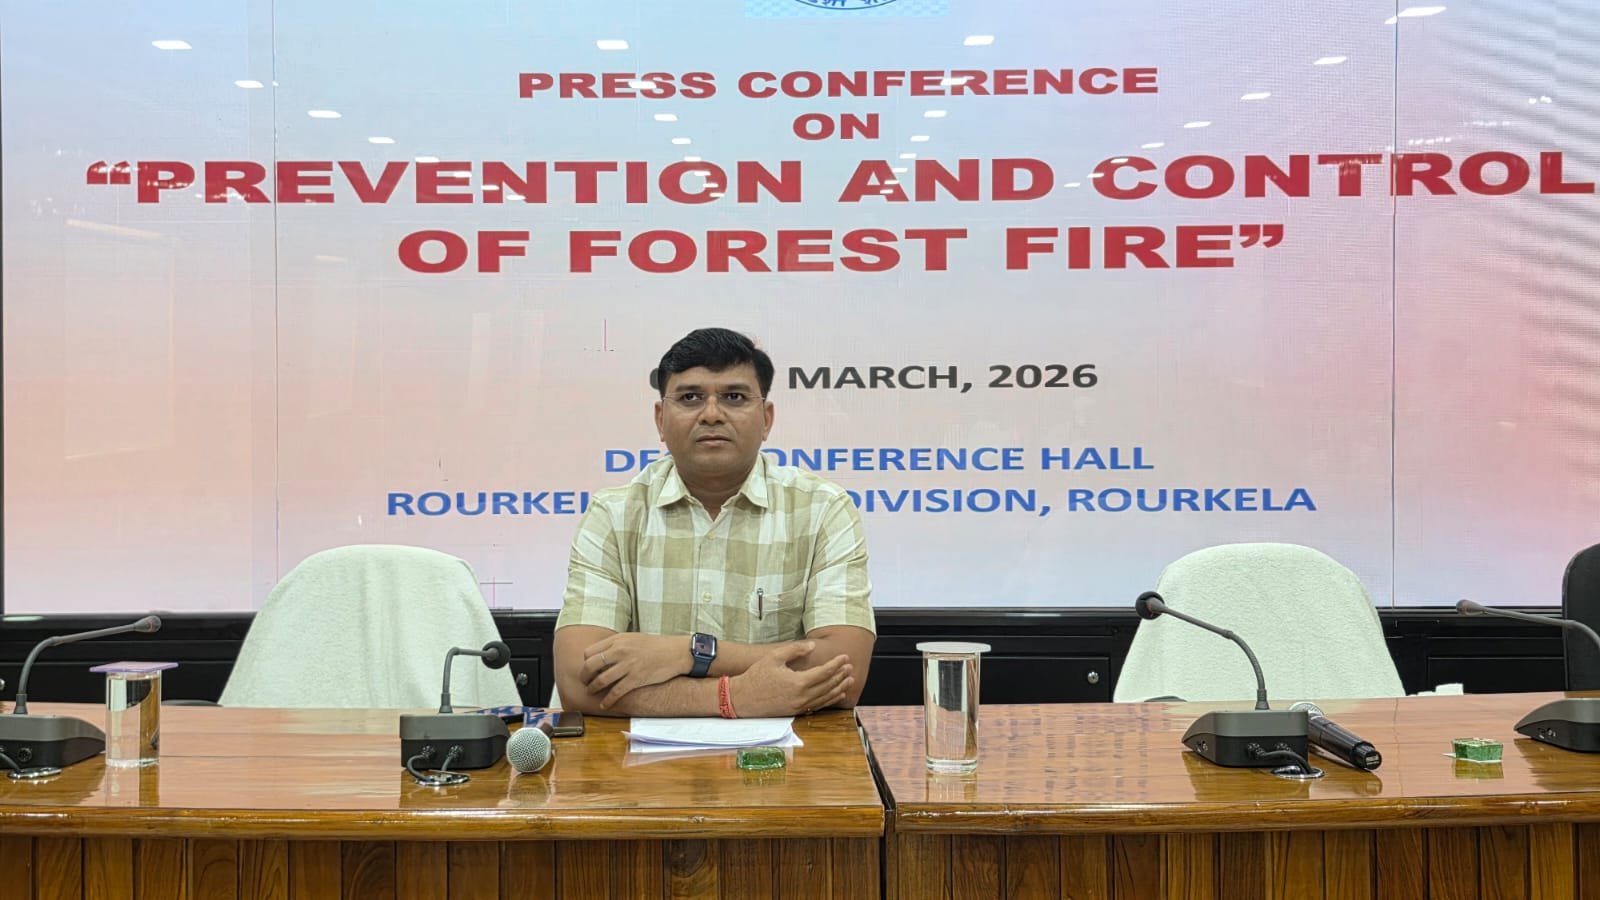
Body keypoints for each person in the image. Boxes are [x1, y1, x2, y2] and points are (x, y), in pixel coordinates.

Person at [554, 327, 875, 717]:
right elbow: (576, 682)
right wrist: (735, 696)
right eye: (690, 397)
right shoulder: (614, 514)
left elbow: (843, 671)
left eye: (734, 397)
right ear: (660, 419)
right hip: (637, 754)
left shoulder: (822, 509)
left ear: (766, 419)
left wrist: (689, 653)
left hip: (786, 751)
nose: (711, 414)